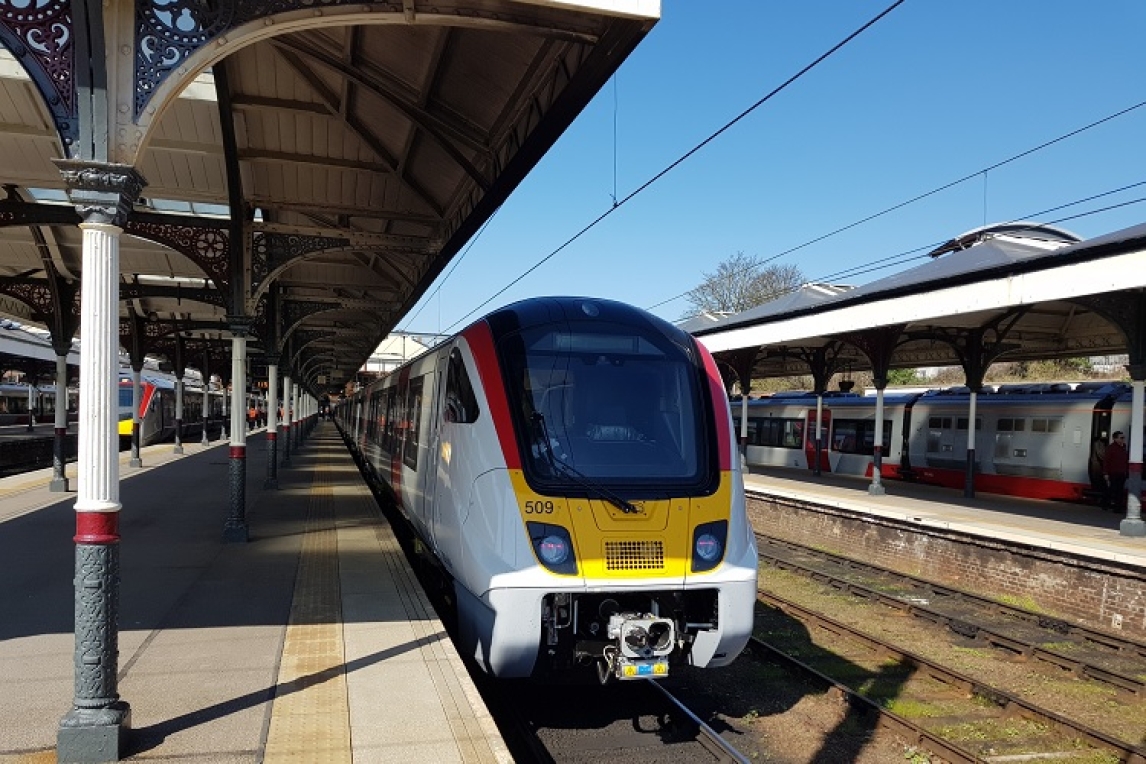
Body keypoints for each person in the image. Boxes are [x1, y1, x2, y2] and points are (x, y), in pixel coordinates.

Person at [1103, 431, 1129, 512]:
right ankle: (1106, 503)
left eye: (1123, 437)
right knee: (1112, 489)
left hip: (1122, 472)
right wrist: (1106, 473)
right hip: (1113, 472)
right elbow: (1106, 461)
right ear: (1115, 439)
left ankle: (1117, 507)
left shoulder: (1124, 447)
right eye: (1121, 438)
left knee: (1120, 490)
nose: (1123, 439)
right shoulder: (1110, 448)